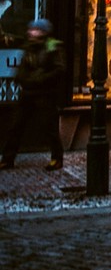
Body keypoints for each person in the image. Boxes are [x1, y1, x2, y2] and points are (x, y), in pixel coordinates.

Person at [0, 18, 65, 171]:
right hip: (28, 92)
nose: (31, 32)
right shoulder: (30, 47)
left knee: (50, 128)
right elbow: (23, 68)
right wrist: (22, 79)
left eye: (35, 30)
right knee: (16, 126)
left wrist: (40, 79)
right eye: (31, 29)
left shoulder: (53, 47)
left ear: (43, 32)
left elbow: (59, 69)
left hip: (45, 94)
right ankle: (8, 159)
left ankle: (57, 158)